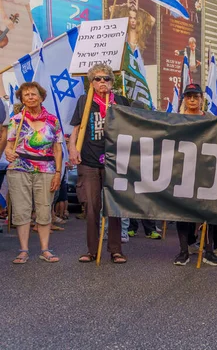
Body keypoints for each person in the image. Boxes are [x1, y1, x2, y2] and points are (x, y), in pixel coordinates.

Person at [69, 64, 131, 264]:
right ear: (91, 82)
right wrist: (72, 149)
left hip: (115, 161)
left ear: (112, 82)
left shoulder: (120, 101)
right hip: (88, 159)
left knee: (114, 206)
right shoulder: (84, 101)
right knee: (92, 207)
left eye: (106, 78)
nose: (102, 81)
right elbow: (76, 129)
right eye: (97, 79)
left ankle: (116, 250)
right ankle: (91, 250)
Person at [173, 83, 217, 266]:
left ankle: (209, 251)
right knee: (181, 212)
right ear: (184, 99)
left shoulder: (211, 119)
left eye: (196, 96)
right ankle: (184, 251)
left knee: (208, 211)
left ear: (202, 99)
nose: (192, 99)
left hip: (206, 172)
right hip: (182, 171)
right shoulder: (175, 120)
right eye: (189, 96)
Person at [5, 81, 63, 264]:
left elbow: (58, 149)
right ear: (22, 99)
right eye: (26, 95)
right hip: (19, 169)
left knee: (44, 209)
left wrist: (58, 173)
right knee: (21, 210)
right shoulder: (16, 119)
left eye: (33, 94)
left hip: (46, 169)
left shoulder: (53, 120)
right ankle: (23, 250)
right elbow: (9, 144)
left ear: (41, 96)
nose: (30, 97)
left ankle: (45, 249)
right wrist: (8, 151)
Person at [0, 0, 34, 96]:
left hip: (23, 18)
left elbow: (27, 1)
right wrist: (4, 18)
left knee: (23, 59)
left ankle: (24, 94)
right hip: (7, 14)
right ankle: (2, 95)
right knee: (3, 59)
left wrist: (31, 20)